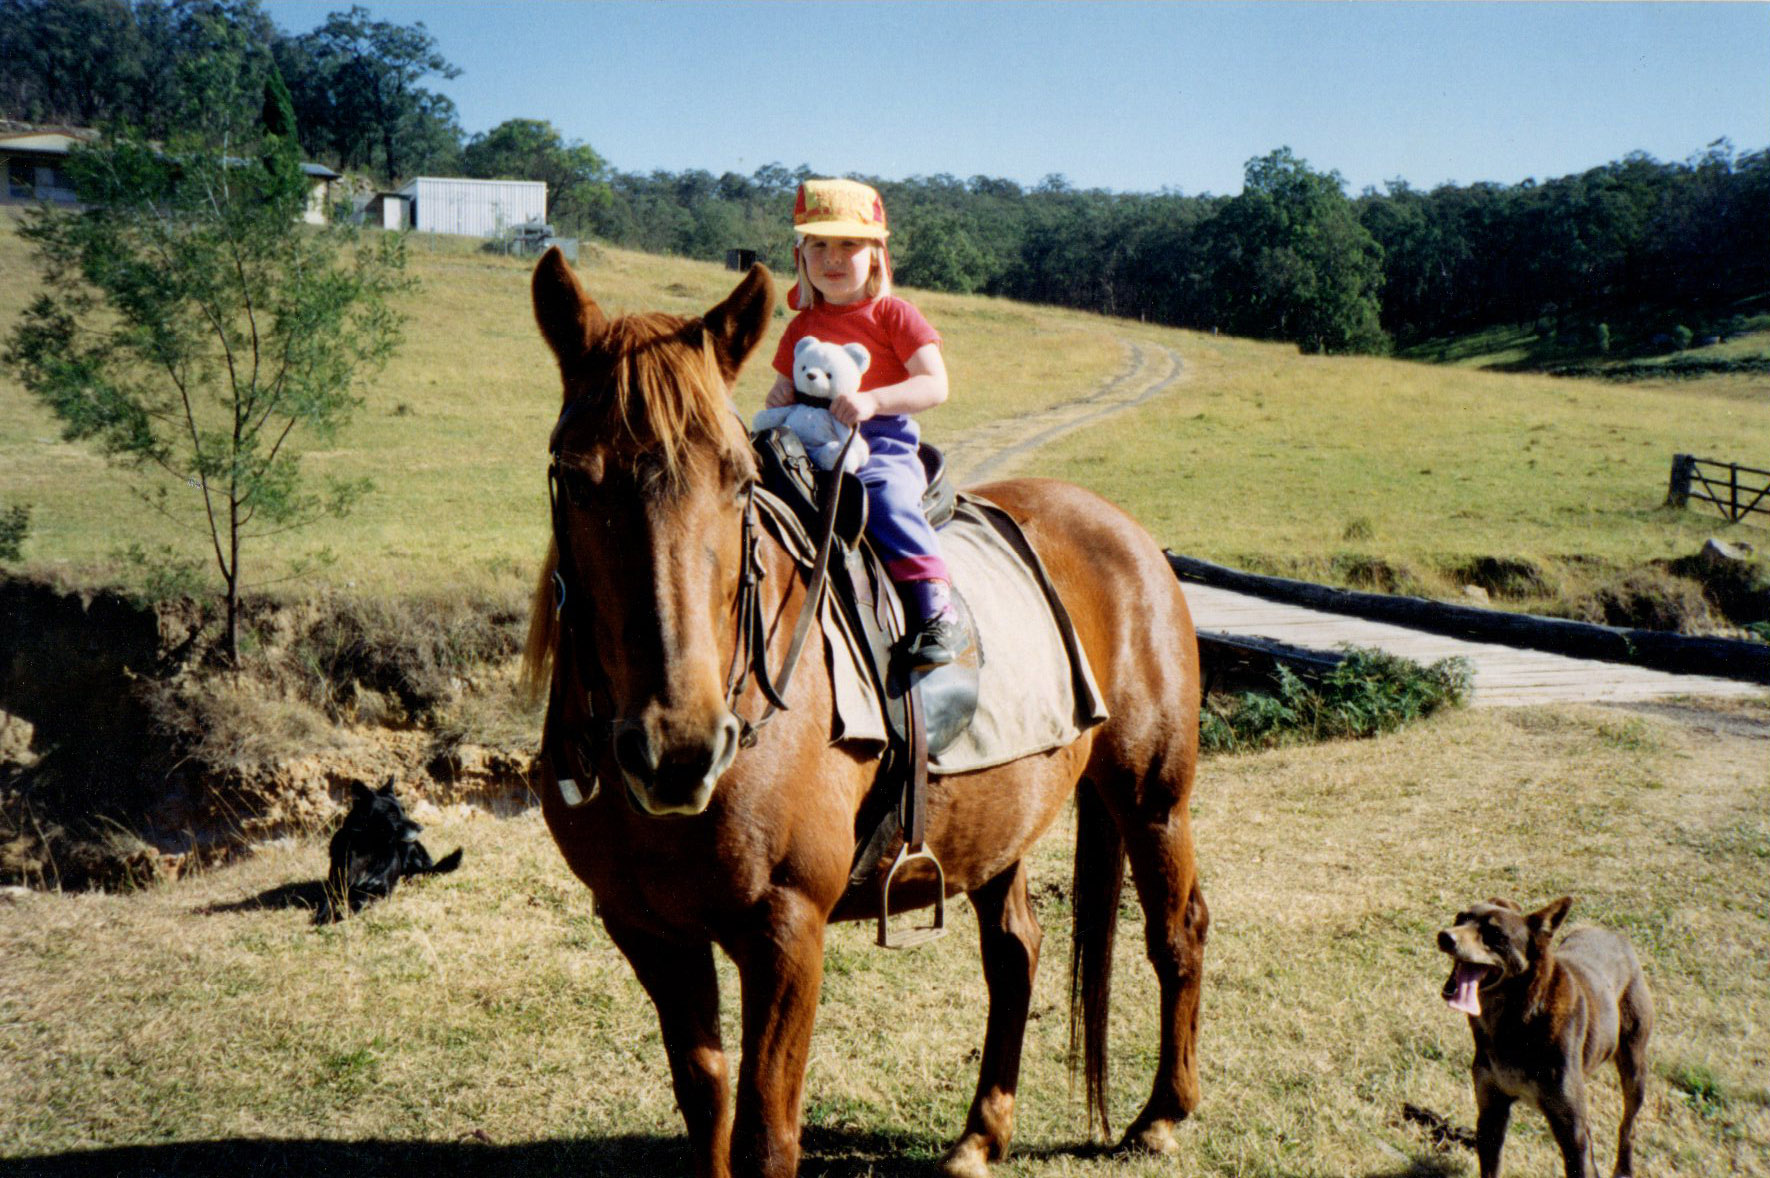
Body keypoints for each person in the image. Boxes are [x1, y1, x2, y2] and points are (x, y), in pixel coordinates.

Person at [764, 178, 964, 668]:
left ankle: (935, 607)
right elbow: (784, 387)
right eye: (819, 245)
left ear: (875, 253)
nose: (832, 258)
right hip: (807, 443)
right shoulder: (802, 325)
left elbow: (935, 385)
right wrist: (780, 395)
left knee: (886, 498)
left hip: (879, 444)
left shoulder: (893, 315)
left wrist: (873, 400)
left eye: (848, 244)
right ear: (801, 254)